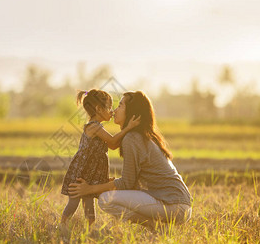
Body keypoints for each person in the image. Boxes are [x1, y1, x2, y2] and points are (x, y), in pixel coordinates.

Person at [69, 91, 192, 229]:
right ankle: (157, 227)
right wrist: (107, 184)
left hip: (174, 206)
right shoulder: (141, 136)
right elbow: (131, 184)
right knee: (108, 195)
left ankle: (155, 227)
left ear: (132, 113)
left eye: (120, 105)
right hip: (180, 205)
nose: (114, 110)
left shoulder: (132, 138)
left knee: (105, 200)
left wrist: (90, 189)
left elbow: (126, 183)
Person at [60, 89, 141, 226]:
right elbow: (113, 141)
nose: (112, 111)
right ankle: (62, 225)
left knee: (89, 204)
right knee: (74, 202)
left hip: (88, 174)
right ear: (98, 109)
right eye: (109, 107)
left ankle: (90, 229)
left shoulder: (98, 127)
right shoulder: (93, 127)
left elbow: (113, 145)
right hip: (80, 172)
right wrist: (128, 128)